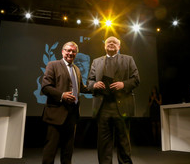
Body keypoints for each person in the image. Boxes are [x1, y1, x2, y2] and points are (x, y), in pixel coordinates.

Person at [87, 36, 140, 164]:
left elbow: (136, 79)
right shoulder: (96, 61)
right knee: (104, 143)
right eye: (108, 42)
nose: (111, 43)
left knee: (123, 141)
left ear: (119, 47)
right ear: (104, 46)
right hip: (102, 107)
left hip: (122, 108)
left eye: (114, 42)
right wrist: (94, 85)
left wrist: (124, 84)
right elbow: (89, 81)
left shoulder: (128, 60)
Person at [41, 41, 89, 164]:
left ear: (76, 53)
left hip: (72, 116)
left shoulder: (77, 69)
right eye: (68, 50)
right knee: (50, 152)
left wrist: (96, 87)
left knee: (68, 153)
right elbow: (45, 87)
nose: (70, 53)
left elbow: (81, 88)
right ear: (62, 52)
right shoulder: (53, 65)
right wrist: (62, 95)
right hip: (55, 115)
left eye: (73, 51)